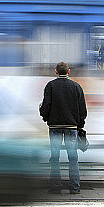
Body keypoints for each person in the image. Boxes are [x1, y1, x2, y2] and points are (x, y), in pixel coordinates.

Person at [39, 61, 87, 194]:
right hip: (71, 126)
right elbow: (83, 110)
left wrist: (45, 116)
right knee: (73, 158)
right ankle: (74, 187)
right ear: (69, 71)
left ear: (55, 71)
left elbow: (46, 105)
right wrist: (79, 125)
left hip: (54, 126)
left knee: (55, 158)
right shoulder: (76, 86)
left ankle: (55, 187)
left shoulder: (50, 86)